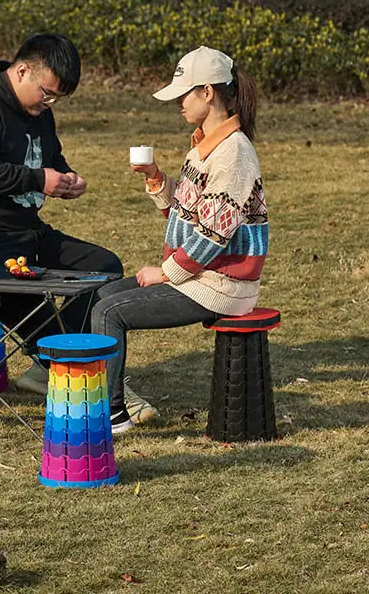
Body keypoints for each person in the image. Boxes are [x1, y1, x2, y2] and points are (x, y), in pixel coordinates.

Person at [0, 32, 155, 422]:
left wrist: (67, 180)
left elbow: (51, 159)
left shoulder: (40, 114)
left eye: (58, 99)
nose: (49, 104)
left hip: (27, 232)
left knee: (105, 266)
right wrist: (38, 181)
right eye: (47, 93)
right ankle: (75, 371)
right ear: (22, 71)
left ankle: (48, 364)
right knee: (29, 300)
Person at [90, 46, 268, 434]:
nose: (178, 104)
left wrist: (167, 273)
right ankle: (109, 399)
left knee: (110, 313)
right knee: (101, 298)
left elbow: (214, 235)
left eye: (183, 95)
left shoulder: (234, 154)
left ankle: (112, 414)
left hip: (221, 286)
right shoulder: (204, 145)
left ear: (207, 92)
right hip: (202, 277)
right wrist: (155, 177)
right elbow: (186, 215)